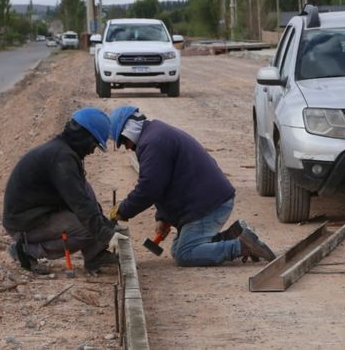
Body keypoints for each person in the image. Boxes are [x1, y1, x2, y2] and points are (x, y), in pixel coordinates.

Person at [107, 106, 276, 267]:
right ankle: (234, 236)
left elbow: (149, 188)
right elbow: (164, 183)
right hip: (206, 200)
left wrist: (123, 211)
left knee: (185, 254)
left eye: (124, 141)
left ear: (129, 130)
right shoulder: (154, 135)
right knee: (177, 249)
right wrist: (163, 218)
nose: (127, 147)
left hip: (209, 204)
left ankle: (242, 246)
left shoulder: (152, 143)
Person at [3, 107, 128, 274]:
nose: (92, 151)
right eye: (94, 145)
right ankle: (26, 250)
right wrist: (106, 234)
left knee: (86, 193)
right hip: (25, 222)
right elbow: (79, 204)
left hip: (40, 212)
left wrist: (105, 225)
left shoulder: (63, 151)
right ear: (85, 137)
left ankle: (95, 255)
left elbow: (83, 198)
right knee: (87, 229)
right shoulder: (61, 158)